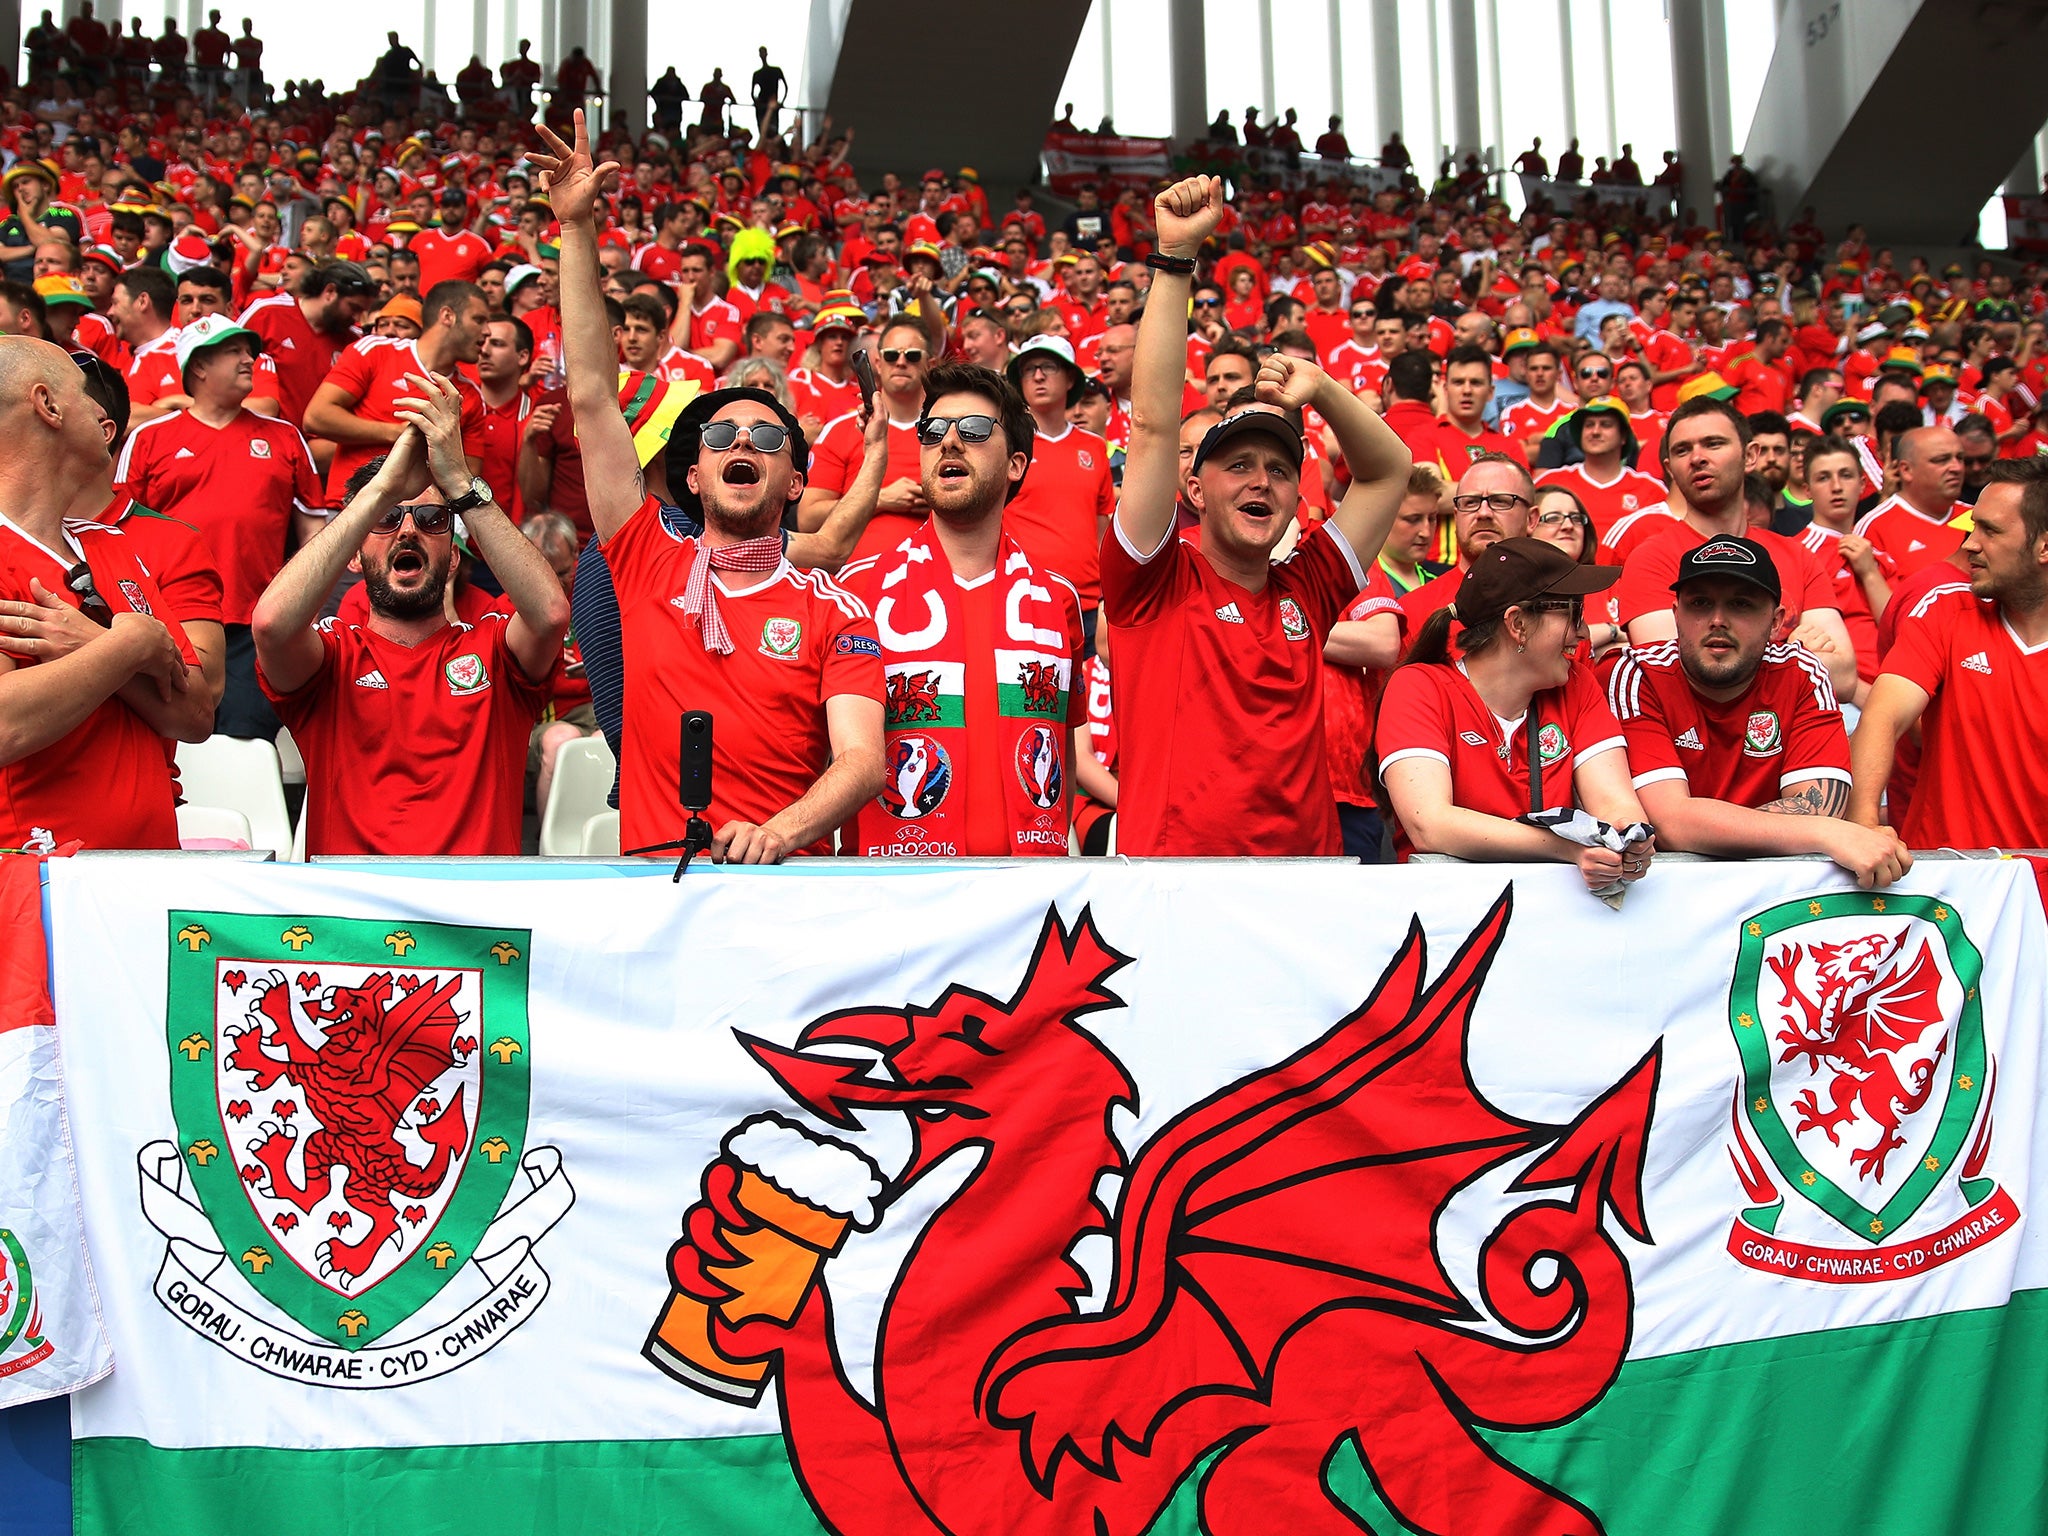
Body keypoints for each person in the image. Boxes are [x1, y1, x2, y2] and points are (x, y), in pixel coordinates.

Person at [533, 110, 885, 865]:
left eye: (767, 439)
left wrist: (778, 834)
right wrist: (573, 229)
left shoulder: (836, 607)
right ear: (692, 474)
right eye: (720, 437)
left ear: (795, 481)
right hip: (658, 892)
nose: (742, 444)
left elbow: (862, 760)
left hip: (786, 895)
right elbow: (592, 392)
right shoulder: (644, 554)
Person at [1101, 174, 1411, 857]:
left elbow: (1390, 469)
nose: (1261, 481)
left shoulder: (1309, 584)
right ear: (1196, 486)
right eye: (1237, 464)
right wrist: (1177, 258)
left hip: (1307, 892)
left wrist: (1322, 388)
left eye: (1277, 468)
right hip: (1180, 892)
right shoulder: (1152, 579)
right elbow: (1153, 424)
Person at [252, 373, 570, 857]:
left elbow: (549, 614)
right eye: (385, 520)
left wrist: (460, 482)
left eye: (431, 519)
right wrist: (380, 490)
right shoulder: (334, 655)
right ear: (352, 557)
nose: (408, 531)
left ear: (456, 556)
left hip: (473, 922)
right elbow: (271, 625)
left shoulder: (492, 647)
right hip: (356, 920)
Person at [834, 360, 1087, 856]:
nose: (948, 442)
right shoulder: (855, 592)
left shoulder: (1059, 598)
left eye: (973, 430)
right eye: (933, 431)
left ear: (1015, 464)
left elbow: (1063, 753)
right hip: (896, 894)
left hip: (1031, 899)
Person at [0, 337, 211, 850]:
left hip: (146, 879)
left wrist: (97, 645)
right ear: (47, 405)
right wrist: (125, 647)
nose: (105, 413)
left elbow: (196, 714)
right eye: (84, 394)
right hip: (39, 891)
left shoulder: (112, 546)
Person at [1608, 536, 1909, 885]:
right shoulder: (1638, 673)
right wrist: (1827, 834)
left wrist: (1707, 829)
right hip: (1662, 892)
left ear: (1777, 621)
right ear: (1676, 615)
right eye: (1700, 603)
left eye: (1740, 604)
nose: (1717, 620)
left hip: (1775, 890)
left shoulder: (1802, 673)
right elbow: (1671, 824)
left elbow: (1822, 805)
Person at [1373, 537, 1653, 888]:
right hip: (1447, 914)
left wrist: (1628, 838)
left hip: (1551, 910)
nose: (1583, 633)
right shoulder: (1418, 686)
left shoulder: (1576, 682)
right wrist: (1569, 848)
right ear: (1518, 623)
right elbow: (1430, 825)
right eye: (1573, 613)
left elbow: (1614, 801)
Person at [112, 314, 322, 740]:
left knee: (245, 742)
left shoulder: (285, 436)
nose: (250, 360)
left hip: (255, 620)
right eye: (235, 352)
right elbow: (117, 526)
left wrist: (305, 606)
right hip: (171, 620)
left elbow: (315, 528)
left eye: (249, 351)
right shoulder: (150, 437)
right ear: (199, 367)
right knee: (170, 741)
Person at [1850, 458, 2048, 850]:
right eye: (1974, 526)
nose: (1970, 543)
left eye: (1989, 530)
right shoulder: (1945, 611)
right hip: (1953, 889)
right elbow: (1883, 717)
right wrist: (1862, 825)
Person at [1610, 395, 1858, 698]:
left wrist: (1743, 657)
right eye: (1682, 450)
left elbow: (1844, 678)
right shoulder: (1651, 558)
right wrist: (1792, 651)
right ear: (1670, 469)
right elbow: (1675, 679)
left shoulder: (1797, 555)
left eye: (1713, 444)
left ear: (1750, 455)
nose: (1697, 458)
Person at [305, 280, 488, 509]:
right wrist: (397, 432)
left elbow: (467, 481)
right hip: (348, 509)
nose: (487, 331)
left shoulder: (470, 395)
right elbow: (316, 417)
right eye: (479, 320)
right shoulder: (375, 351)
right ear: (448, 316)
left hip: (419, 522)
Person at [1003, 335, 1115, 639]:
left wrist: (1108, 593)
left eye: (1048, 367)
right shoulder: (1005, 445)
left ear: (1069, 379)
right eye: (1029, 369)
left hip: (1089, 603)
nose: (1038, 376)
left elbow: (1101, 527)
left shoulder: (1094, 447)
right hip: (1024, 600)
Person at [237, 260, 379, 432]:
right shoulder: (267, 313)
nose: (357, 317)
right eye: (353, 307)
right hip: (263, 436)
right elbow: (229, 363)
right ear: (330, 292)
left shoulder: (354, 341)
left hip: (320, 443)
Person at [1537, 398, 1666, 542]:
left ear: (1623, 436)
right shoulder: (1550, 482)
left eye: (1605, 425)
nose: (1595, 431)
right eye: (1589, 425)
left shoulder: (1652, 490)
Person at [1852, 425, 1970, 576]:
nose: (1957, 468)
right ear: (1906, 470)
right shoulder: (1874, 527)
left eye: (1960, 458)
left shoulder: (1977, 516)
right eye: (1941, 460)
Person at [750, 47, 787, 142]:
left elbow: (786, 87)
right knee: (763, 128)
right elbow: (752, 93)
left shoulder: (776, 71)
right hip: (763, 104)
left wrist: (781, 102)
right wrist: (757, 102)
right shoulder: (757, 74)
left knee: (772, 128)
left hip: (771, 103)